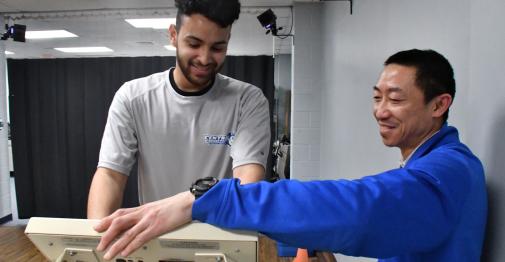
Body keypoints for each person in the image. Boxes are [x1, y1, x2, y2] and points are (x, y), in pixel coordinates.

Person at [94, 49, 487, 261]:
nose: (381, 110)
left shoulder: (449, 171)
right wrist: (305, 241)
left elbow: (360, 207)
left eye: (396, 99)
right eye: (377, 96)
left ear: (439, 105)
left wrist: (205, 198)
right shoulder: (434, 163)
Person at [87, 0, 271, 219]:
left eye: (217, 48)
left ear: (228, 41)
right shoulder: (133, 97)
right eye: (194, 44)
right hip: (154, 239)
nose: (204, 58)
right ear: (173, 35)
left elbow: (246, 183)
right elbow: (110, 175)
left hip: (221, 238)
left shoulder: (248, 100)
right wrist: (97, 240)